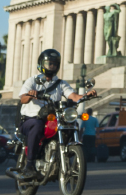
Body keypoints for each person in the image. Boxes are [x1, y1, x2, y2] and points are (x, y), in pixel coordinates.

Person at [16, 49, 94, 179]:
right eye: (49, 63)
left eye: (54, 64)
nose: (51, 66)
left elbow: (73, 95)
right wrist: (30, 94)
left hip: (51, 119)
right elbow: (22, 98)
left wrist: (86, 95)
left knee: (71, 123)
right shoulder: (33, 81)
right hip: (30, 119)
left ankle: (65, 153)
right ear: (42, 64)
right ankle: (29, 165)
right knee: (37, 125)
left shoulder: (60, 83)